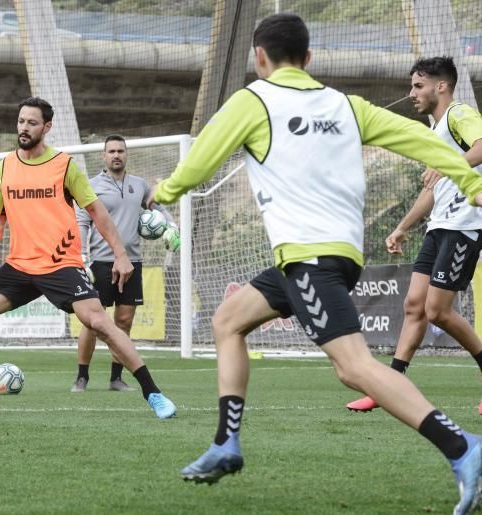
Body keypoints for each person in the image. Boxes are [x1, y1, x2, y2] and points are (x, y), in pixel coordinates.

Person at [146, 14, 482, 514]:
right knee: (228, 320)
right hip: (329, 257)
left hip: (309, 258)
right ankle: (226, 444)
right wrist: (474, 185)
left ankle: (464, 448)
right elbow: (428, 145)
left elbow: (201, 162)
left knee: (354, 367)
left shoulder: (253, 100)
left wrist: (164, 191)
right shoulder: (348, 106)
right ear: (309, 59)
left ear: (259, 58)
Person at [0, 97, 176, 419]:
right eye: (21, 121)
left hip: (61, 264)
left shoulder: (64, 166)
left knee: (100, 323)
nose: (24, 128)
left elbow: (97, 211)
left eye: (32, 123)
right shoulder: (3, 169)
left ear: (46, 127)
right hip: (20, 265)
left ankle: (154, 395)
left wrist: (121, 255)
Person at [347, 57, 482, 414]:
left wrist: (448, 165)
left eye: (418, 86)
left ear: (442, 86)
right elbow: (431, 190)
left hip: (464, 227)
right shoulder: (434, 130)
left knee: (437, 312)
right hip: (439, 227)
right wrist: (402, 228)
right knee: (413, 306)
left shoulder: (459, 115)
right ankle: (389, 388)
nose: (411, 94)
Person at [71, 134, 180, 393]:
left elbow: (158, 207)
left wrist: (171, 225)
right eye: (112, 151)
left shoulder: (139, 185)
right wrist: (82, 257)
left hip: (133, 262)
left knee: (124, 322)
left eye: (121, 150)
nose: (116, 155)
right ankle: (82, 377)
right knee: (91, 321)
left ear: (126, 154)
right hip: (100, 262)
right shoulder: (92, 185)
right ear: (104, 156)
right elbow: (82, 222)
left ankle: (116, 379)